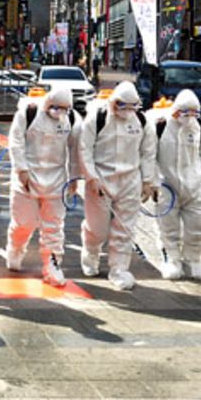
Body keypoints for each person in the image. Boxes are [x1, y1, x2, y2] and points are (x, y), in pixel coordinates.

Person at [77, 81, 156, 290]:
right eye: (122, 105)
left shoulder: (141, 121)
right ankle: (91, 251)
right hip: (101, 179)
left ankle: (119, 269)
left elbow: (148, 152)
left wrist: (148, 180)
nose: (127, 111)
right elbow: (84, 149)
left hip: (130, 180)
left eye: (132, 106)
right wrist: (91, 177)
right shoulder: (97, 118)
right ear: (113, 102)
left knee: (125, 228)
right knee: (98, 228)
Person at [5, 86, 80, 286]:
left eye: (65, 108)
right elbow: (16, 141)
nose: (60, 112)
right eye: (56, 107)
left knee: (54, 226)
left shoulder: (71, 120)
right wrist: (21, 169)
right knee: (24, 222)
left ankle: (52, 264)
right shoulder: (28, 113)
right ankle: (15, 247)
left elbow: (76, 149)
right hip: (27, 180)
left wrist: (74, 177)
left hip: (56, 180)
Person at [151, 90, 201, 280]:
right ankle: (171, 258)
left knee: (198, 225)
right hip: (167, 185)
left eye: (193, 113)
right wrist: (153, 181)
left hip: (195, 185)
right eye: (185, 113)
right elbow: (150, 156)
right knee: (167, 226)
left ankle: (193, 258)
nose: (189, 117)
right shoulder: (161, 127)